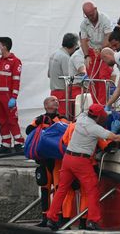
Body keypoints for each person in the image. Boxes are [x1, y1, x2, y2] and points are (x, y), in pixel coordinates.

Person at [46, 104, 120, 231]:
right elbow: (114, 137)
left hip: (67, 158)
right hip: (81, 161)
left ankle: (51, 218)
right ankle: (93, 220)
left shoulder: (81, 118)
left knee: (62, 189)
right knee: (92, 190)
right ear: (97, 116)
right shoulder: (94, 128)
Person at [25, 96, 68, 227]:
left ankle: (58, 217)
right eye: (52, 100)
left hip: (56, 160)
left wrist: (54, 123)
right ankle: (44, 218)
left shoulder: (62, 119)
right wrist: (39, 123)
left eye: (57, 100)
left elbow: (67, 130)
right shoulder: (40, 119)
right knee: (44, 188)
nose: (56, 101)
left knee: (58, 189)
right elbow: (28, 130)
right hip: (44, 160)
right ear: (46, 105)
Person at [0, 37, 24, 154]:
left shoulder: (15, 61)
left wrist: (14, 97)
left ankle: (19, 143)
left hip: (8, 97)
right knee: (1, 120)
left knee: (12, 120)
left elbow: (16, 80)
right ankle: (6, 144)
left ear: (4, 46)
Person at [80, 1, 113, 104]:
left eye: (92, 14)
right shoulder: (84, 24)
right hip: (91, 51)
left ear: (96, 9)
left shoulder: (105, 19)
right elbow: (83, 40)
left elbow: (108, 36)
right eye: (88, 16)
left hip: (104, 49)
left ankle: (103, 105)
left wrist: (101, 49)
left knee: (103, 77)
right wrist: (86, 56)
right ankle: (95, 104)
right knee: (92, 79)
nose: (91, 17)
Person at [48, 33, 79, 118]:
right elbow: (69, 78)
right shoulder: (65, 57)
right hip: (62, 92)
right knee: (63, 118)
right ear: (73, 45)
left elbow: (49, 74)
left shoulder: (54, 54)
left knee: (54, 117)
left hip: (53, 91)